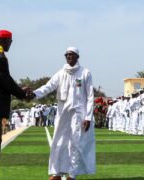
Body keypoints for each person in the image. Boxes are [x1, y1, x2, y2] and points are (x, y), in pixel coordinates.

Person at [31, 47, 96, 180]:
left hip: (79, 114)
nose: (69, 57)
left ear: (77, 56)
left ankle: (72, 174)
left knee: (75, 143)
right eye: (67, 55)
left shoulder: (85, 73)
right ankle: (57, 172)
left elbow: (90, 96)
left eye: (71, 55)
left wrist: (88, 117)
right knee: (58, 141)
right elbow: (48, 87)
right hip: (62, 113)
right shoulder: (60, 73)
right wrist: (33, 94)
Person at [0, 29, 32, 176]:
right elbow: (6, 82)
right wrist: (23, 93)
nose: (10, 43)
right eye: (9, 41)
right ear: (2, 41)